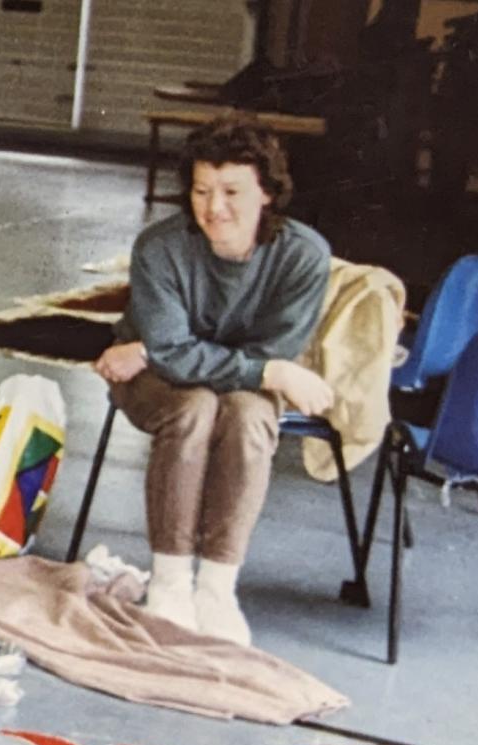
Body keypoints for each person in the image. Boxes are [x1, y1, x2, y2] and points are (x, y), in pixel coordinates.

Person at [94, 117, 335, 646]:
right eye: (202, 191)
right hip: (156, 383)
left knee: (249, 416)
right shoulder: (160, 247)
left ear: (268, 194)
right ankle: (172, 582)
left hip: (171, 364)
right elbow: (241, 362)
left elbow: (257, 353)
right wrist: (264, 371)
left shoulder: (304, 255)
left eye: (232, 192)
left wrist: (158, 350)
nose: (213, 208)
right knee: (193, 409)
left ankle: (218, 588)